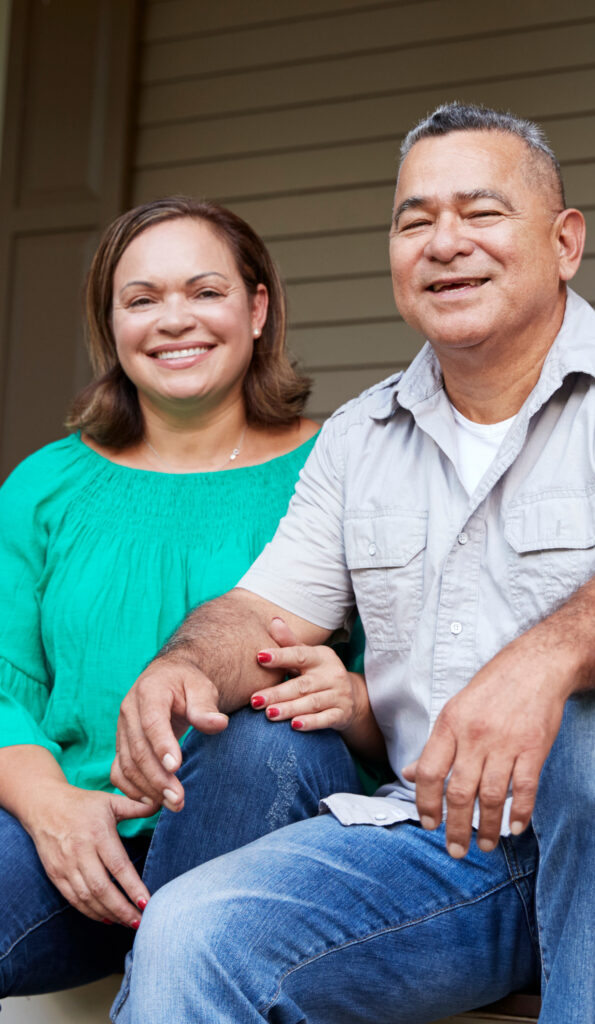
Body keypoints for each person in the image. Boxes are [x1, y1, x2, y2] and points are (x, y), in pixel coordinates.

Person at [110, 105, 595, 1024]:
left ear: (564, 242)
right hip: (453, 849)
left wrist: (541, 665)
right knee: (192, 931)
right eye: (414, 220)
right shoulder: (359, 438)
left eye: (481, 212)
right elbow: (261, 610)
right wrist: (182, 664)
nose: (444, 242)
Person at [0, 196, 381, 999]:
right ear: (111, 326)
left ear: (257, 307)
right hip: (74, 831)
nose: (175, 320)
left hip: (263, 830)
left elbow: (414, 687)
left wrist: (349, 696)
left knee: (269, 746)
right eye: (141, 299)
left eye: (204, 292)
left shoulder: (343, 470)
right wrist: (53, 811)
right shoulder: (44, 486)